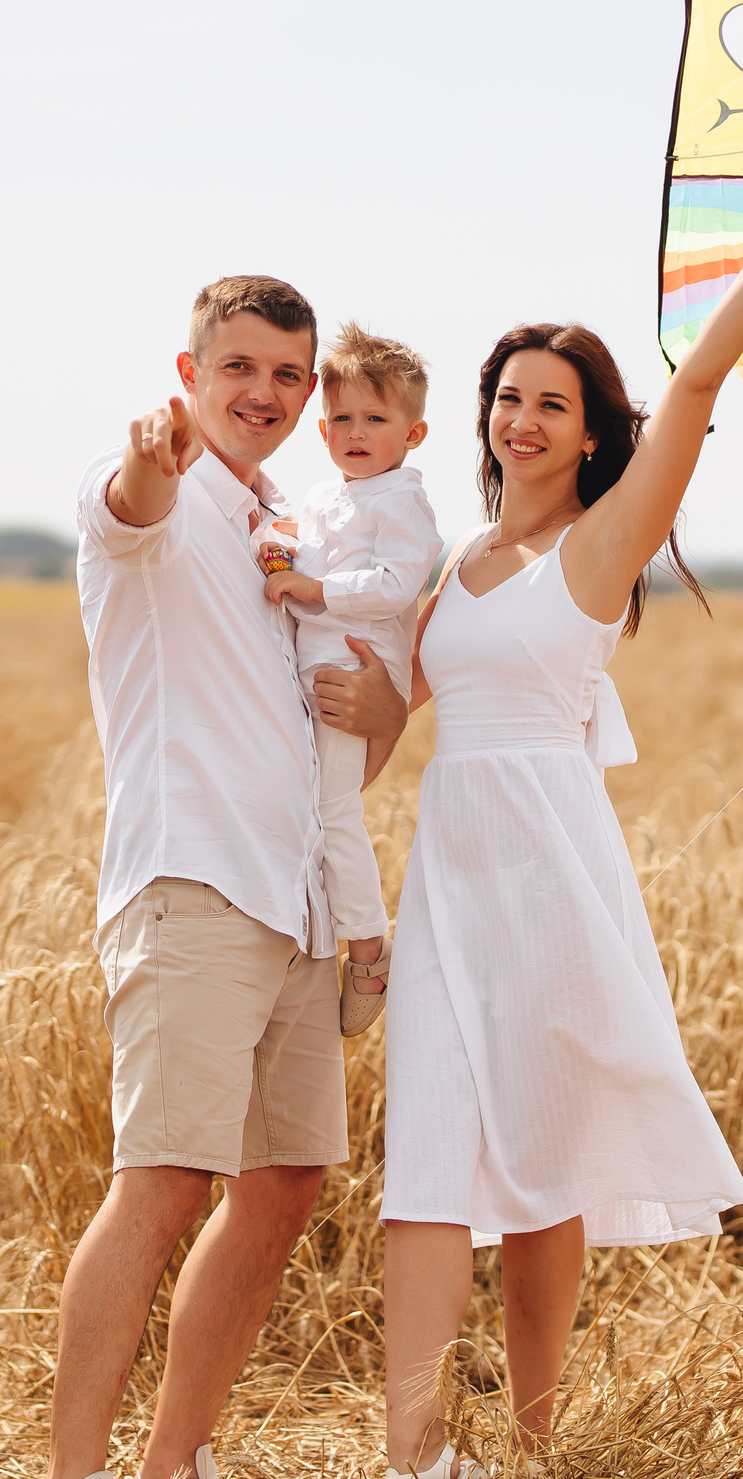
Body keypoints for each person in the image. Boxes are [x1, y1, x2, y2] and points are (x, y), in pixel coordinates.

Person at [376, 113, 743, 1479]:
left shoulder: (597, 551)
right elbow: (383, 703)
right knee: (425, 1158)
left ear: (589, 434)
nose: (521, 419)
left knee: (541, 1162)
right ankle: (414, 1463)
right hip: (443, 873)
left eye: (550, 403)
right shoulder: (455, 560)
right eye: (506, 397)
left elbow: (696, 391)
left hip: (546, 874)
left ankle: (530, 1447)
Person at [5, 275, 409, 1479]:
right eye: (240, 367)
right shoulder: (147, 501)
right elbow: (128, 507)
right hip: (191, 886)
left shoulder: (289, 528)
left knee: (286, 1183)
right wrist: (146, 465)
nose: (269, 394)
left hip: (292, 897)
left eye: (290, 375)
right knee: (166, 1177)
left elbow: (344, 736)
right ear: (189, 371)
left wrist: (379, 708)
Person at [253, 323, 444, 1037]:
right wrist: (277, 544)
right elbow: (297, 540)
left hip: (354, 668)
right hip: (314, 666)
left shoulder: (401, 502)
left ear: (413, 433)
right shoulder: (330, 495)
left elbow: (398, 584)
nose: (354, 433)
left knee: (333, 808)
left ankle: (368, 947)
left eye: (375, 418)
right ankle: (313, 924)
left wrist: (314, 589)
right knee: (306, 804)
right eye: (340, 419)